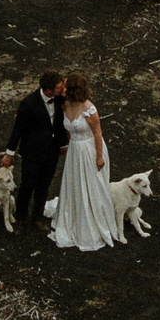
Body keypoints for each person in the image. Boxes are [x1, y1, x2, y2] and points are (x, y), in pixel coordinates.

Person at [48, 72, 124, 252]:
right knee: (75, 184)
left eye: (66, 86)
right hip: (75, 150)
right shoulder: (65, 105)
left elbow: (98, 133)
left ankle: (94, 220)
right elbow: (68, 129)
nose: (63, 89)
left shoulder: (89, 109)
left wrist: (99, 156)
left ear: (74, 89)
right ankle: (74, 217)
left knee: (92, 184)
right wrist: (68, 145)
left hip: (90, 149)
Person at [0, 69, 67, 235]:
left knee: (44, 184)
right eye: (59, 87)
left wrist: (63, 145)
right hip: (32, 152)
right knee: (27, 185)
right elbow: (18, 130)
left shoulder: (60, 99)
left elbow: (59, 124)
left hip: (52, 151)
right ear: (48, 90)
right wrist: (9, 153)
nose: (62, 88)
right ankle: (21, 217)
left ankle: (37, 217)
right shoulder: (28, 103)